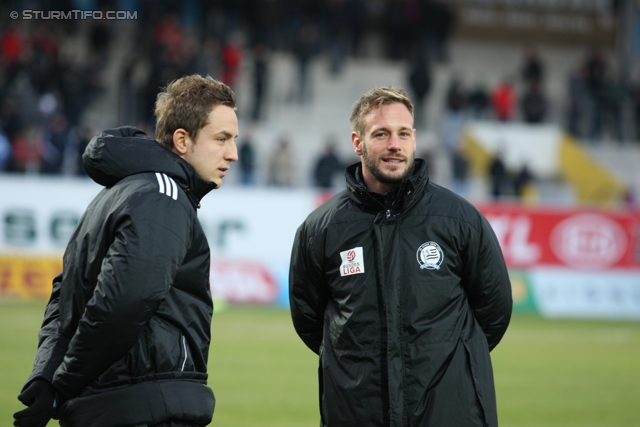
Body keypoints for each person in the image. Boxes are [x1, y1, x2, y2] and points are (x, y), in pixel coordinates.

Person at [13, 74, 239, 427]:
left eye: (234, 140)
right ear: (182, 139)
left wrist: (47, 375)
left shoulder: (118, 193)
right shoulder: (163, 196)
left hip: (111, 404)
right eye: (222, 139)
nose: (233, 154)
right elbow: (124, 303)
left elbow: (65, 294)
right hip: (144, 405)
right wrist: (62, 382)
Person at [289, 86, 512, 427]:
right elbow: (310, 319)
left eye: (403, 134)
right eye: (381, 134)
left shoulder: (460, 219)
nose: (394, 144)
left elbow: (493, 312)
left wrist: (450, 364)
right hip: (357, 413)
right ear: (357, 142)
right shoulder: (322, 229)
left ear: (414, 139)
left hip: (450, 413)